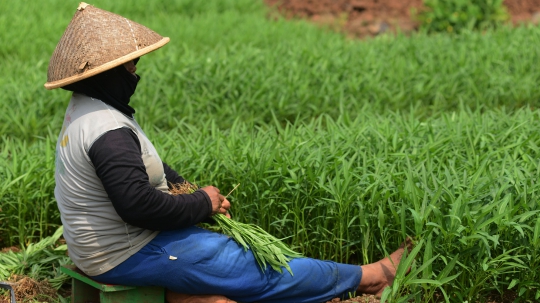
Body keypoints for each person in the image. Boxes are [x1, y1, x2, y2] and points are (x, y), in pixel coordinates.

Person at [45, 3, 412, 303]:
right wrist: (202, 202)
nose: (134, 72)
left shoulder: (87, 111)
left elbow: (143, 170)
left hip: (101, 250)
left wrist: (183, 186)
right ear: (105, 75)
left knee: (223, 259)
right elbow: (139, 206)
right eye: (128, 66)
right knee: (256, 266)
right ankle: (370, 278)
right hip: (126, 253)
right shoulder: (107, 130)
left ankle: (187, 297)